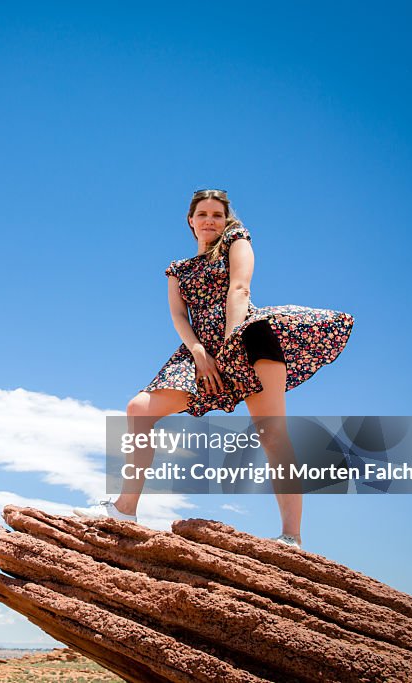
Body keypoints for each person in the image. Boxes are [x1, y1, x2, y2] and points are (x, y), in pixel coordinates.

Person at [74, 189, 354, 549]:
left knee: (272, 434)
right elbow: (178, 316)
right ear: (190, 221)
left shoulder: (237, 240)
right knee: (138, 409)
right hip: (200, 351)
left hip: (249, 338)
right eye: (202, 214)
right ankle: (125, 508)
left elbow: (239, 288)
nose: (210, 220)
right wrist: (200, 353)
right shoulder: (178, 270)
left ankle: (291, 536)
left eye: (217, 215)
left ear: (226, 221)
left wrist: (230, 344)